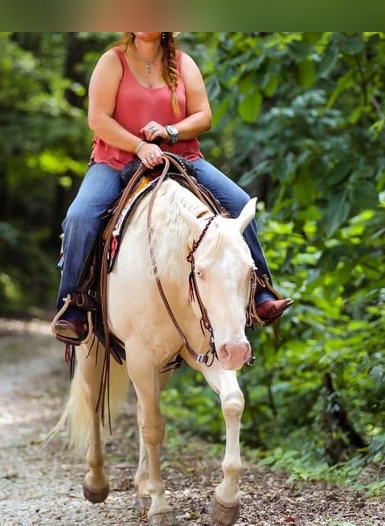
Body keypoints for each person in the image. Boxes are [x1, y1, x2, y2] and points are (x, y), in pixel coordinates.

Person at [53, 32, 292, 343]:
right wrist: (138, 146)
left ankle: (259, 290)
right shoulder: (112, 61)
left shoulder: (183, 63)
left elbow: (204, 116)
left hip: (181, 157)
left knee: (239, 201)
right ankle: (72, 303)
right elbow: (98, 120)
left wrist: (170, 131)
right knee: (81, 216)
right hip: (116, 159)